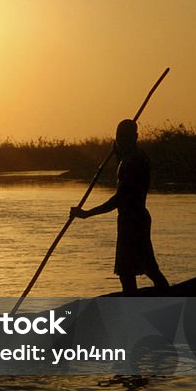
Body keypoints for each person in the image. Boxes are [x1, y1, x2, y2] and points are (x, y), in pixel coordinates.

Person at [70, 119, 169, 295]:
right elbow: (121, 181)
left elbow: (119, 199)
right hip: (127, 220)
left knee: (141, 268)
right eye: (118, 137)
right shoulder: (128, 159)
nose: (121, 141)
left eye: (125, 137)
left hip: (135, 220)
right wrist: (117, 155)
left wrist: (87, 214)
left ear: (135, 137)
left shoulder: (136, 161)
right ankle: (138, 306)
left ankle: (165, 300)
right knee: (129, 271)